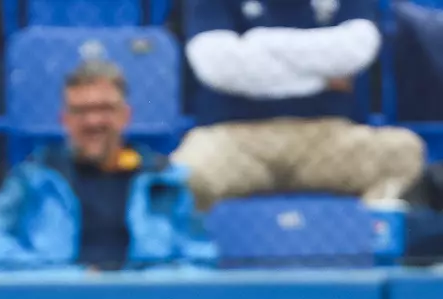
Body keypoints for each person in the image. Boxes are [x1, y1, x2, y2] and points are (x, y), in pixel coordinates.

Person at [174, 0, 425, 208]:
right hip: (235, 138)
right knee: (185, 173)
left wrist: (254, 46)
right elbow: (217, 66)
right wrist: (321, 80)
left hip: (326, 137)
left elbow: (357, 49)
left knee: (402, 152)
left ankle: (368, 245)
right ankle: (198, 255)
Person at [0, 61, 215, 270]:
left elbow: (199, 259)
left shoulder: (163, 181)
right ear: (64, 120)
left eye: (105, 109)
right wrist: (63, 281)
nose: (93, 121)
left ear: (125, 116)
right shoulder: (34, 177)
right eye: (80, 111)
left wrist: (141, 286)